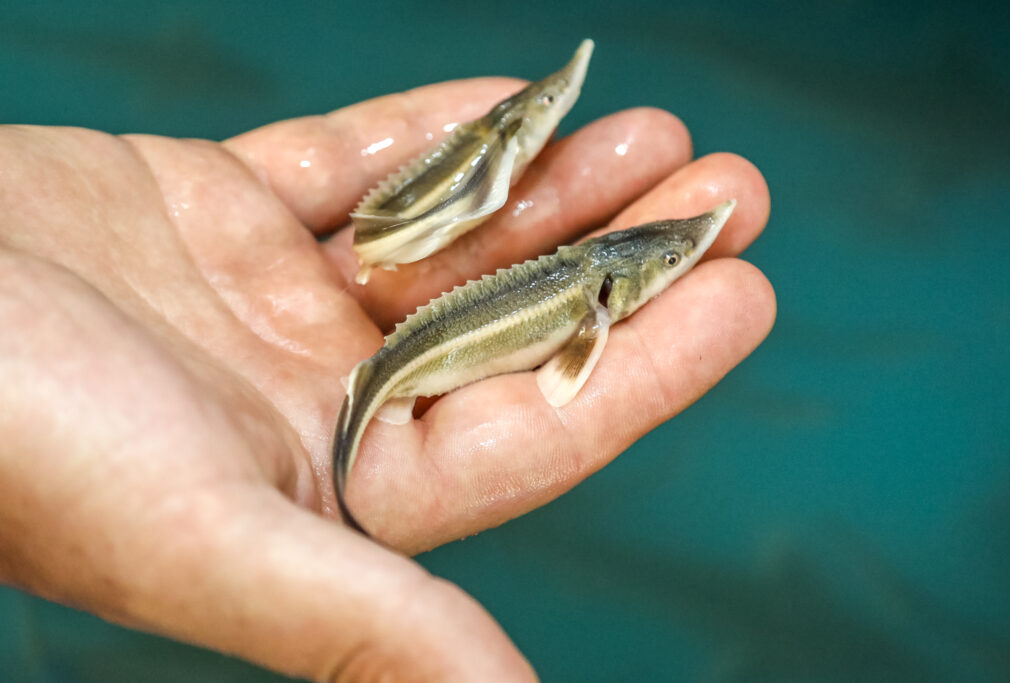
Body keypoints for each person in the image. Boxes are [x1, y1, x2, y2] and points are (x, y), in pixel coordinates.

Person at [0, 76, 774, 681]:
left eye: (669, 260)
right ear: (614, 292)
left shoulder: (592, 286)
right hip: (410, 361)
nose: (677, 266)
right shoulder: (592, 310)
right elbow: (569, 374)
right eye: (669, 263)